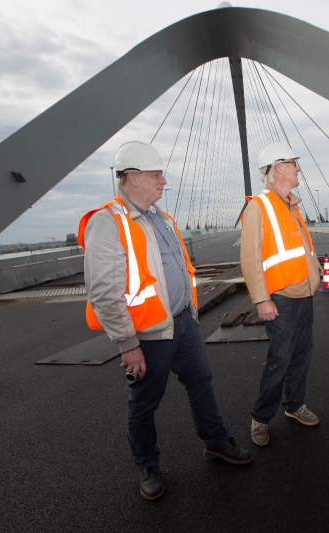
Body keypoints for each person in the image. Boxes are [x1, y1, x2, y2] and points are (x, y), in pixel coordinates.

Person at [78, 141, 252, 501]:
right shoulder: (107, 222)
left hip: (182, 324)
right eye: (156, 174)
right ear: (131, 178)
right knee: (144, 402)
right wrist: (128, 344)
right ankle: (147, 466)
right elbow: (103, 291)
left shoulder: (161, 217)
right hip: (147, 335)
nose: (163, 181)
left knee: (201, 382)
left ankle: (216, 442)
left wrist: (189, 312)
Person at [240, 142, 322, 447]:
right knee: (280, 360)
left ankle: (294, 405)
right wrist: (262, 299)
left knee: (302, 355)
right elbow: (250, 258)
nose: (298, 167)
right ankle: (260, 418)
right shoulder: (259, 206)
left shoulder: (292, 205)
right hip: (282, 299)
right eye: (293, 163)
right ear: (278, 169)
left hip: (304, 295)